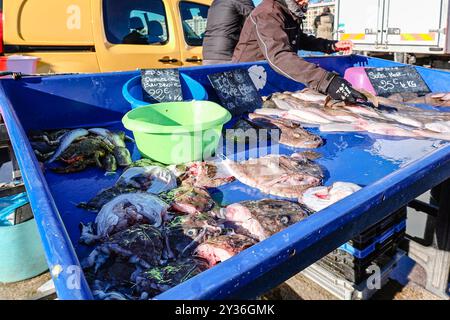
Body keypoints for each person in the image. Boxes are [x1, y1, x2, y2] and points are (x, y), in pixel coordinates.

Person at [233, 0, 366, 104]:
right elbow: (279, 55)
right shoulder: (267, 12)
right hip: (249, 77)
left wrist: (331, 46)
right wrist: (326, 81)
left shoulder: (287, 11)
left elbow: (299, 39)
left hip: (271, 74)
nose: (306, 2)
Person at [202, 0, 255, 65]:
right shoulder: (241, 1)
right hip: (226, 53)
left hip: (208, 53)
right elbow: (256, 20)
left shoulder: (216, 2)